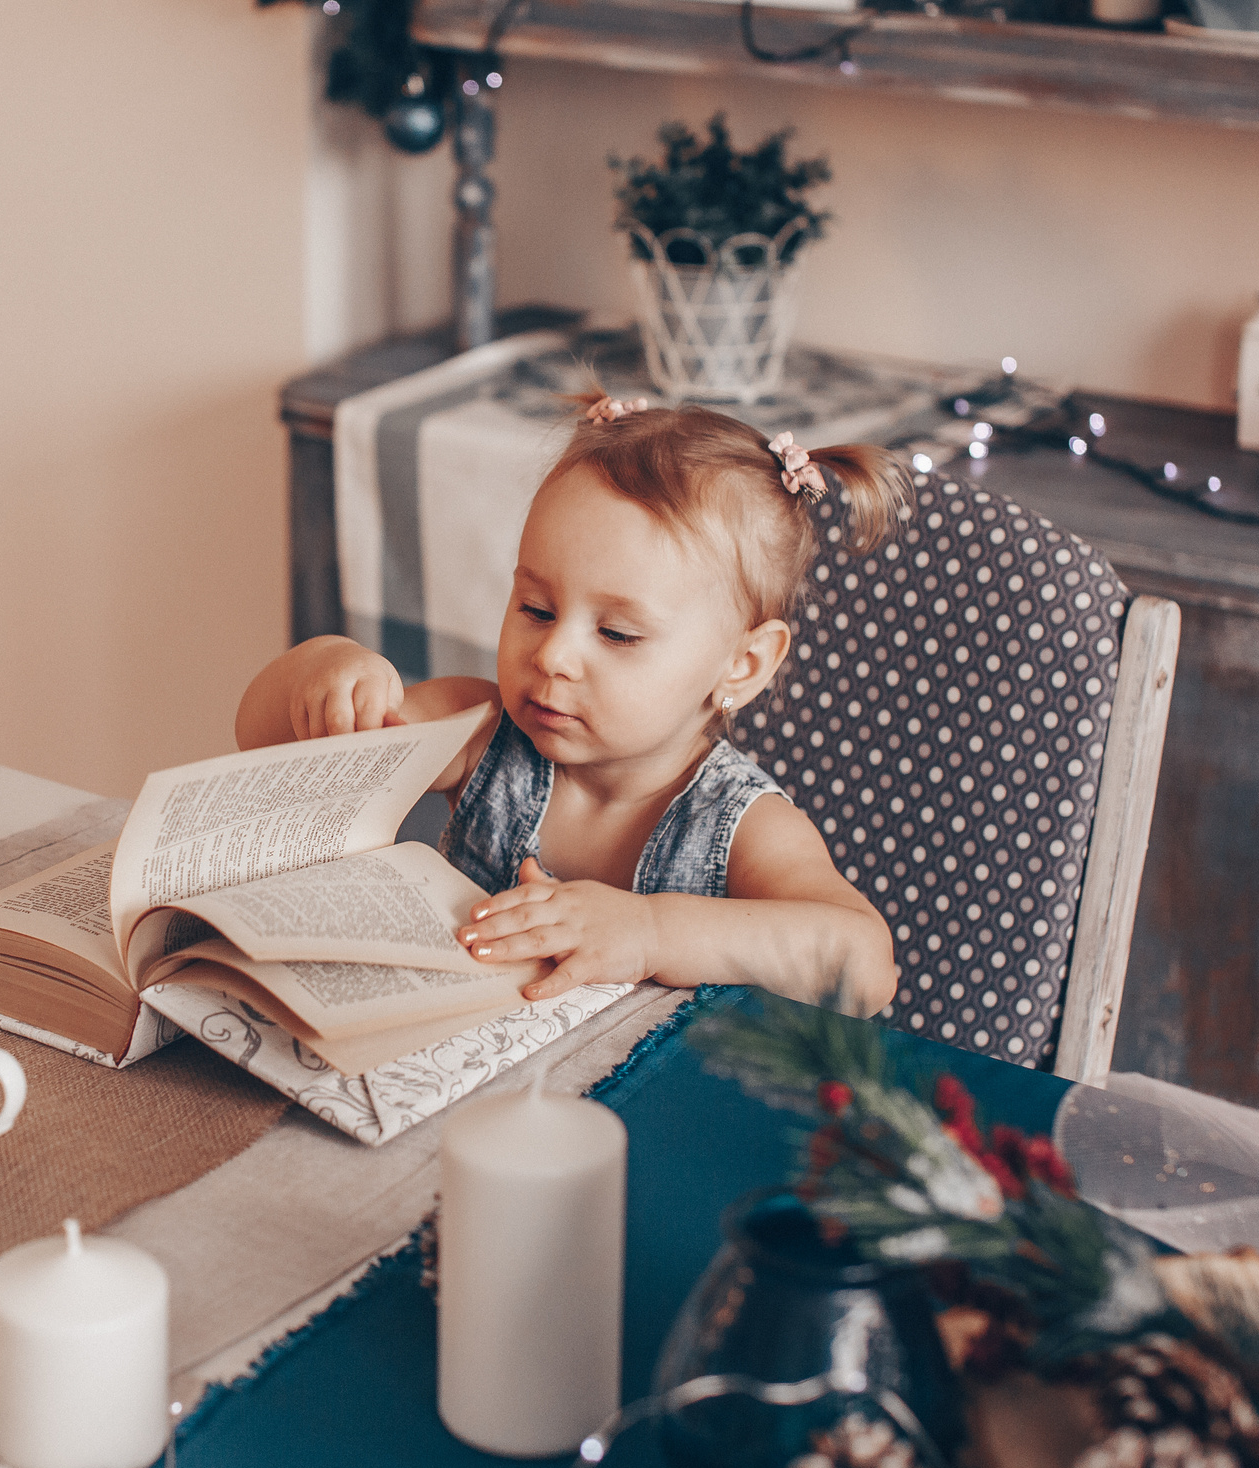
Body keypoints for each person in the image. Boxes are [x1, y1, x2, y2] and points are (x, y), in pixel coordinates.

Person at [235, 395, 905, 1016]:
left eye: (617, 633)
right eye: (536, 608)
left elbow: (866, 965)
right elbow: (270, 748)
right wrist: (323, 673)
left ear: (743, 664)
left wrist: (649, 930)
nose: (554, 654)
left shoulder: (742, 824)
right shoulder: (479, 733)